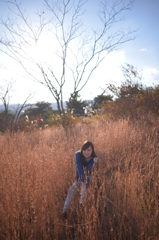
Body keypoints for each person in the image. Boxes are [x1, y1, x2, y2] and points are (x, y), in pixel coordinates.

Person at [62, 140, 98, 217]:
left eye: (89, 150)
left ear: (92, 150)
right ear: (81, 149)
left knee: (84, 188)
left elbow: (89, 171)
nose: (86, 152)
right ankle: (65, 210)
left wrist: (94, 163)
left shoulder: (94, 158)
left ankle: (81, 206)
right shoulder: (77, 154)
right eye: (84, 149)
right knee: (71, 189)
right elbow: (79, 169)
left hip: (90, 177)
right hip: (81, 177)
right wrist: (84, 180)